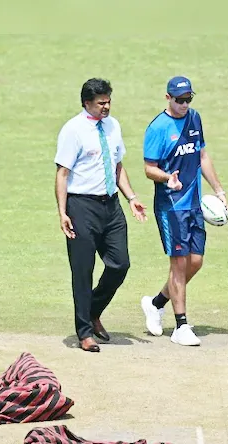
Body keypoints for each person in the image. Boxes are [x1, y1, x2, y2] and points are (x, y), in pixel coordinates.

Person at [54, 78, 147, 353]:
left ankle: (93, 310)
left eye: (108, 101)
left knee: (120, 264)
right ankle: (84, 331)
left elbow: (117, 165)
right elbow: (62, 174)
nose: (106, 107)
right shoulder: (73, 130)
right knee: (82, 272)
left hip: (111, 205)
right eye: (101, 103)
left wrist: (132, 198)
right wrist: (62, 212)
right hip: (81, 206)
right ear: (87, 103)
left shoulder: (113, 126)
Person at [140, 76, 227, 346]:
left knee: (195, 262)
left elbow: (202, 156)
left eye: (189, 99)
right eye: (180, 100)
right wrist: (168, 178)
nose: (185, 104)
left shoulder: (194, 119)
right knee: (178, 264)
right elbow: (148, 168)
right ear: (168, 98)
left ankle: (156, 303)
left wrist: (219, 190)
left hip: (194, 204)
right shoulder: (158, 128)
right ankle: (181, 326)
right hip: (171, 207)